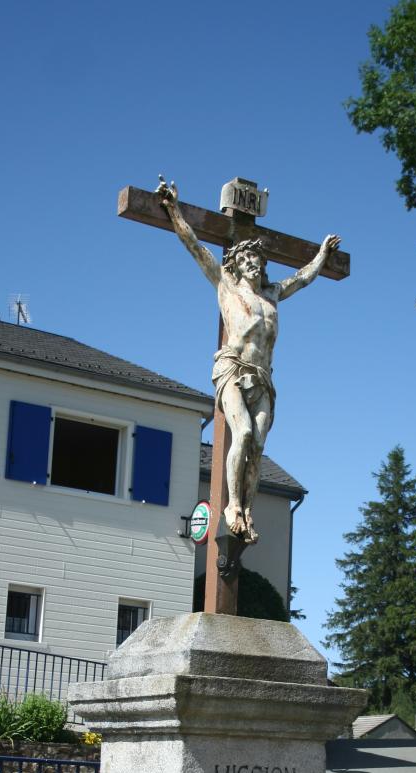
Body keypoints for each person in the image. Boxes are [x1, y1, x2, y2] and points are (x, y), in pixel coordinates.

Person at [156, 176, 339, 543]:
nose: (254, 262)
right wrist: (174, 209)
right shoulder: (225, 287)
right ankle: (232, 505)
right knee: (240, 433)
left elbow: (303, 278)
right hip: (232, 370)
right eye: (247, 258)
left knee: (257, 443)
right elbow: (194, 246)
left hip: (263, 377)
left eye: (258, 258)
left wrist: (321, 255)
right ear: (236, 264)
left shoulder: (272, 295)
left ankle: (247, 511)